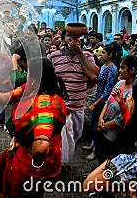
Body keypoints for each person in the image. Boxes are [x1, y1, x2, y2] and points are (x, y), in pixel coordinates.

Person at [0, 57, 68, 197]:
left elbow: (41, 148)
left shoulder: (46, 106)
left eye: (27, 72)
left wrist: (34, 166)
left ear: (33, 77)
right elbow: (5, 98)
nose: (25, 74)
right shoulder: (31, 88)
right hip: (21, 147)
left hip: (30, 163)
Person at [84, 71, 137, 195]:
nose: (129, 98)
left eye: (134, 97)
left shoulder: (129, 161)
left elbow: (88, 184)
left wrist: (112, 163)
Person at [49, 29, 98, 171]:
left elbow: (93, 76)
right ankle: (61, 165)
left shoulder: (87, 55)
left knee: (75, 136)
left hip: (78, 106)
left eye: (77, 38)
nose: (73, 40)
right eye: (70, 37)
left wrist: (80, 54)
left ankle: (63, 161)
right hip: (61, 107)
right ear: (63, 39)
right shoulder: (54, 56)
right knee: (62, 138)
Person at [85, 43, 120, 161]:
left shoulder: (113, 69)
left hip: (102, 101)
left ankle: (96, 151)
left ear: (110, 55)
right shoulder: (104, 65)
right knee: (94, 123)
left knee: (98, 125)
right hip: (98, 97)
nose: (101, 55)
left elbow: (108, 90)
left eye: (104, 53)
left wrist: (96, 103)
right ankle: (93, 145)